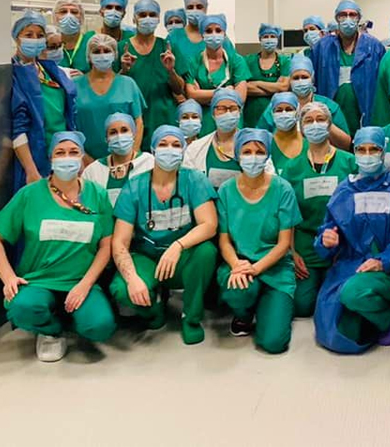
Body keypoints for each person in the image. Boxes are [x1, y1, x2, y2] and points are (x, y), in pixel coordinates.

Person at [0, 131, 116, 362]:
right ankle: (51, 330)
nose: (67, 158)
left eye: (73, 152)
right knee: (22, 308)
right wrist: (8, 277)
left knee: (100, 326)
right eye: (60, 153)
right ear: (51, 158)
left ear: (82, 157)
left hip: (80, 282)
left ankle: (72, 318)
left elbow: (106, 246)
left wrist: (85, 285)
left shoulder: (98, 195)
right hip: (38, 281)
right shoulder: (30, 195)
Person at [110, 125, 218, 345]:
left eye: (176, 145)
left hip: (182, 257)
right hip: (147, 257)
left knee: (206, 252)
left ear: (183, 150)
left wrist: (178, 246)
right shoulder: (134, 187)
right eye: (163, 144)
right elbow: (120, 241)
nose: (170, 149)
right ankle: (153, 309)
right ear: (153, 150)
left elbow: (209, 225)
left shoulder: (194, 180)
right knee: (122, 289)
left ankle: (191, 317)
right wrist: (132, 279)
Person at [314, 127, 390, 353]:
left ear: (384, 152)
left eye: (374, 149)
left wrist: (383, 261)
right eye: (361, 150)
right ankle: (380, 312)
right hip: (350, 266)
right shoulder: (344, 190)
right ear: (354, 152)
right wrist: (326, 241)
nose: (367, 155)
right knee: (332, 333)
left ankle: (388, 315)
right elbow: (326, 232)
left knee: (355, 296)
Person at [215, 129, 302, 353]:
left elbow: (284, 244)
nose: (253, 157)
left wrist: (255, 269)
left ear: (268, 155)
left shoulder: (282, 189)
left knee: (274, 343)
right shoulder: (226, 191)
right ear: (237, 154)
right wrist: (236, 265)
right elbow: (224, 241)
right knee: (239, 291)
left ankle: (269, 305)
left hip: (275, 268)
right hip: (239, 263)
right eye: (247, 152)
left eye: (259, 151)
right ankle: (244, 316)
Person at [281, 102, 358, 317]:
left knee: (342, 299)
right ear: (301, 127)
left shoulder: (349, 162)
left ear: (329, 124)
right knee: (302, 306)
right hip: (306, 244)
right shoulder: (292, 168)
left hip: (344, 242)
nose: (315, 124)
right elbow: (287, 214)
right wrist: (292, 251)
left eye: (320, 119)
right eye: (308, 120)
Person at [10, 11, 78, 194]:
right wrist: (31, 170)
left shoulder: (50, 70)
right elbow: (18, 128)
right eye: (28, 35)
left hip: (62, 154)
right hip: (36, 156)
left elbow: (68, 114)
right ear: (17, 38)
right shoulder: (15, 75)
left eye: (40, 35)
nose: (35, 39)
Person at [119, 0, 185, 153]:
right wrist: (124, 70)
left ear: (158, 19)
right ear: (134, 18)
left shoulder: (167, 47)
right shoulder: (122, 48)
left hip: (163, 118)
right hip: (133, 119)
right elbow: (113, 88)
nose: (147, 19)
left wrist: (171, 70)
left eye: (152, 15)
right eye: (142, 15)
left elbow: (179, 89)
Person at [310, 0, 386, 135]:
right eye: (343, 15)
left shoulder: (374, 47)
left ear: (359, 18)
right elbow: (313, 82)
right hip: (332, 114)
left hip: (363, 113)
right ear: (337, 18)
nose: (348, 19)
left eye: (352, 15)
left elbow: (382, 86)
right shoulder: (322, 47)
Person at [73, 33, 146, 163]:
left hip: (125, 157)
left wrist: (131, 157)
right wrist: (85, 159)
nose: (102, 55)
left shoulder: (128, 84)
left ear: (114, 55)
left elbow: (139, 123)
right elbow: (70, 126)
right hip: (86, 160)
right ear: (88, 56)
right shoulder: (75, 85)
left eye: (107, 51)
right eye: (97, 51)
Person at [255, 55, 352, 149]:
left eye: (304, 77)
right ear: (290, 80)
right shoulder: (278, 106)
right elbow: (258, 140)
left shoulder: (329, 106)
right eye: (296, 78)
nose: (300, 81)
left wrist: (325, 122)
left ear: (312, 78)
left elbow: (346, 144)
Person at [183, 89, 270, 189]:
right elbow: (186, 184)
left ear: (240, 112)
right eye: (221, 108)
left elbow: (269, 181)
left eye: (233, 108)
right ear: (213, 113)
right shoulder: (195, 149)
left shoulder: (256, 146)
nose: (228, 113)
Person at [182, 14, 250, 136]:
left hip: (230, 118)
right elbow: (191, 95)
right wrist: (226, 91)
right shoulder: (194, 61)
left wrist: (203, 94)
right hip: (206, 121)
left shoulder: (236, 60)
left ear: (224, 34)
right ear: (202, 35)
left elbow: (240, 97)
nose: (213, 34)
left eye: (218, 30)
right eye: (208, 31)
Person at [82, 113, 155, 206]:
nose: (119, 136)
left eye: (124, 130)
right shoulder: (93, 171)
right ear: (106, 139)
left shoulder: (149, 163)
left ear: (133, 134)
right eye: (113, 133)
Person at [167, 0, 239, 72]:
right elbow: (166, 66)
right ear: (185, 9)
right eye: (190, 7)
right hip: (179, 80)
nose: (195, 10)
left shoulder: (220, 38)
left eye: (199, 7)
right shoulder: (174, 37)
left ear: (206, 8)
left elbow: (234, 65)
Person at [243, 23, 292, 128]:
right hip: (251, 115)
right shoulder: (248, 60)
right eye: (265, 36)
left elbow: (283, 87)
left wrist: (257, 83)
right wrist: (274, 88)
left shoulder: (284, 61)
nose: (269, 39)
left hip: (275, 113)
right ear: (260, 39)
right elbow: (244, 87)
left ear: (277, 39)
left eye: (272, 36)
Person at [266, 92, 307, 171]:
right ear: (272, 114)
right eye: (279, 110)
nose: (284, 114)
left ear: (297, 112)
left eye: (289, 109)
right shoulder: (268, 144)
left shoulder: (308, 141)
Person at [53, 0, 91, 73]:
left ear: (82, 17)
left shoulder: (91, 42)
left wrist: (85, 78)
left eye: (74, 12)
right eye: (63, 11)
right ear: (54, 17)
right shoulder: (49, 46)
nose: (69, 16)